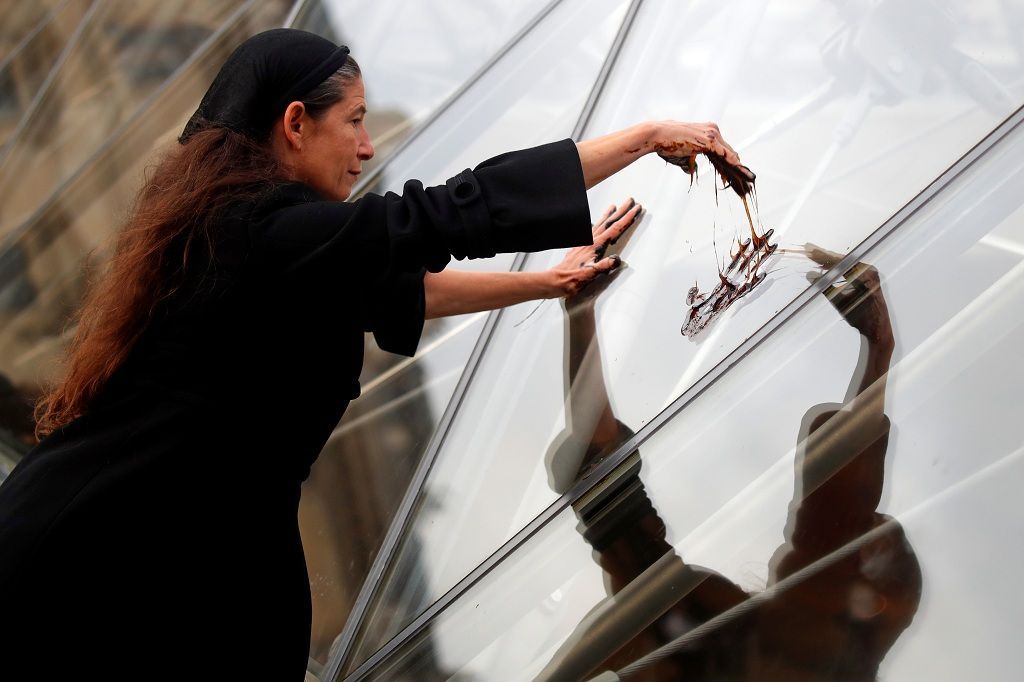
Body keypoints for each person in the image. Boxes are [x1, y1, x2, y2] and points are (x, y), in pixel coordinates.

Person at [0, 29, 749, 679]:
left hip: (182, 551)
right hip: (93, 550)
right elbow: (450, 213)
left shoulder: (274, 242)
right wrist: (643, 139)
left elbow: (398, 290)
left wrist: (549, 282)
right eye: (353, 122)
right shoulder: (260, 232)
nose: (367, 146)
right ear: (295, 123)